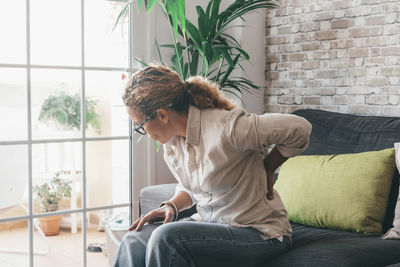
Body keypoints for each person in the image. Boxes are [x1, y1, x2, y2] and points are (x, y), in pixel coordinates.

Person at [114, 65, 312, 267]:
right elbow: (192, 185)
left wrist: (269, 167)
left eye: (140, 124)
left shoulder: (228, 128)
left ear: (162, 115)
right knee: (134, 241)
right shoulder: (173, 144)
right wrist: (172, 206)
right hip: (211, 225)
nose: (142, 131)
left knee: (166, 237)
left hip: (259, 233)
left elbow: (300, 129)